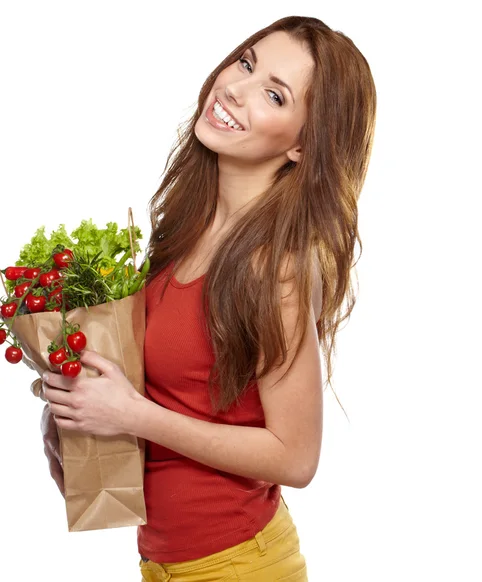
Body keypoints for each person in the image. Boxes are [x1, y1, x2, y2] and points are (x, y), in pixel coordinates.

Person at [40, 15, 376, 581]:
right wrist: (73, 415)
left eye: (274, 94)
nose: (236, 90)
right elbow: (175, 395)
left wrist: (133, 414)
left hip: (238, 566)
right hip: (164, 562)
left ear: (301, 145)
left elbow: (296, 457)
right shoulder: (184, 231)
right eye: (245, 62)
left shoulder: (277, 267)